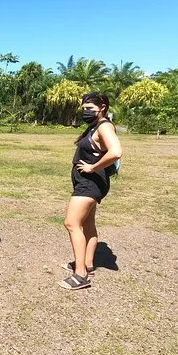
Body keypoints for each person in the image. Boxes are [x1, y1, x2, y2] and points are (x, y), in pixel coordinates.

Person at [60, 92, 122, 290]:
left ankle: (81, 275)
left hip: (90, 183)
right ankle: (87, 264)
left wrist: (92, 167)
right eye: (84, 108)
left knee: (71, 223)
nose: (85, 111)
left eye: (90, 108)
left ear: (102, 107)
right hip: (88, 183)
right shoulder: (95, 125)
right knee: (87, 224)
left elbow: (116, 152)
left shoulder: (104, 126)